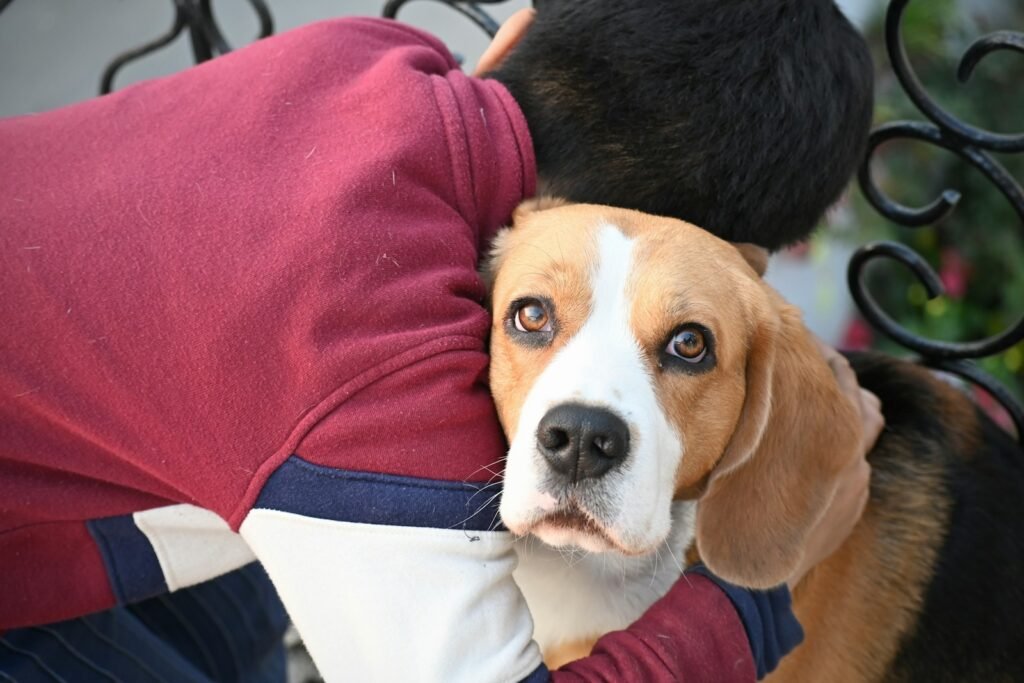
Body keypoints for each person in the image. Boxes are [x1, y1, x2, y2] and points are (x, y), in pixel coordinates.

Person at [0, 2, 878, 680]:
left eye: (682, 343)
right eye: (535, 315)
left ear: (510, 40)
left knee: (239, 613)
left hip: (77, 487)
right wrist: (753, 604)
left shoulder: (359, 52)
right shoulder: (374, 370)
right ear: (747, 256)